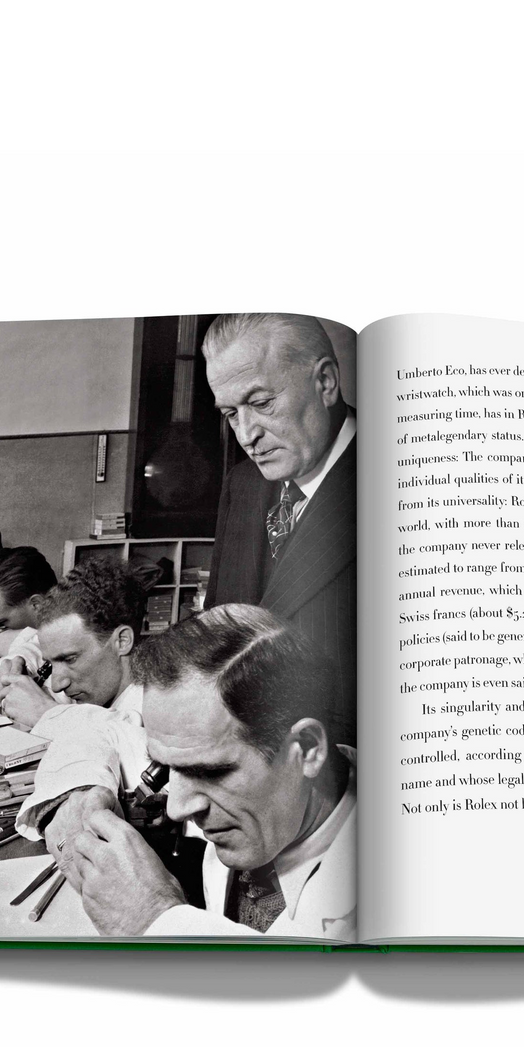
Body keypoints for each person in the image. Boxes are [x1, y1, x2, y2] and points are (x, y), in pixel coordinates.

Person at [57, 605, 356, 941]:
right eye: (166, 768)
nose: (177, 808)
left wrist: (155, 920)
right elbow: (104, 730)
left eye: (209, 773)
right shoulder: (258, 791)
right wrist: (81, 793)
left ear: (308, 749)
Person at [202, 313, 356, 741]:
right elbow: (217, 628)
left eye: (261, 403)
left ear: (325, 382)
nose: (246, 435)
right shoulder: (243, 483)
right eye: (231, 414)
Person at [9, 558, 152, 861]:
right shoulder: (100, 692)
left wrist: (48, 715)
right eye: (51, 663)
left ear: (122, 641)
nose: (58, 682)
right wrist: (17, 662)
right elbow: (29, 641)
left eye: (70, 659)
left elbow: (127, 742)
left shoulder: (153, 708)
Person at [0, 546, 72, 707]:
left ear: (36, 604)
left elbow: (35, 641)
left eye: (3, 622)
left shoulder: (71, 628)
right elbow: (30, 649)